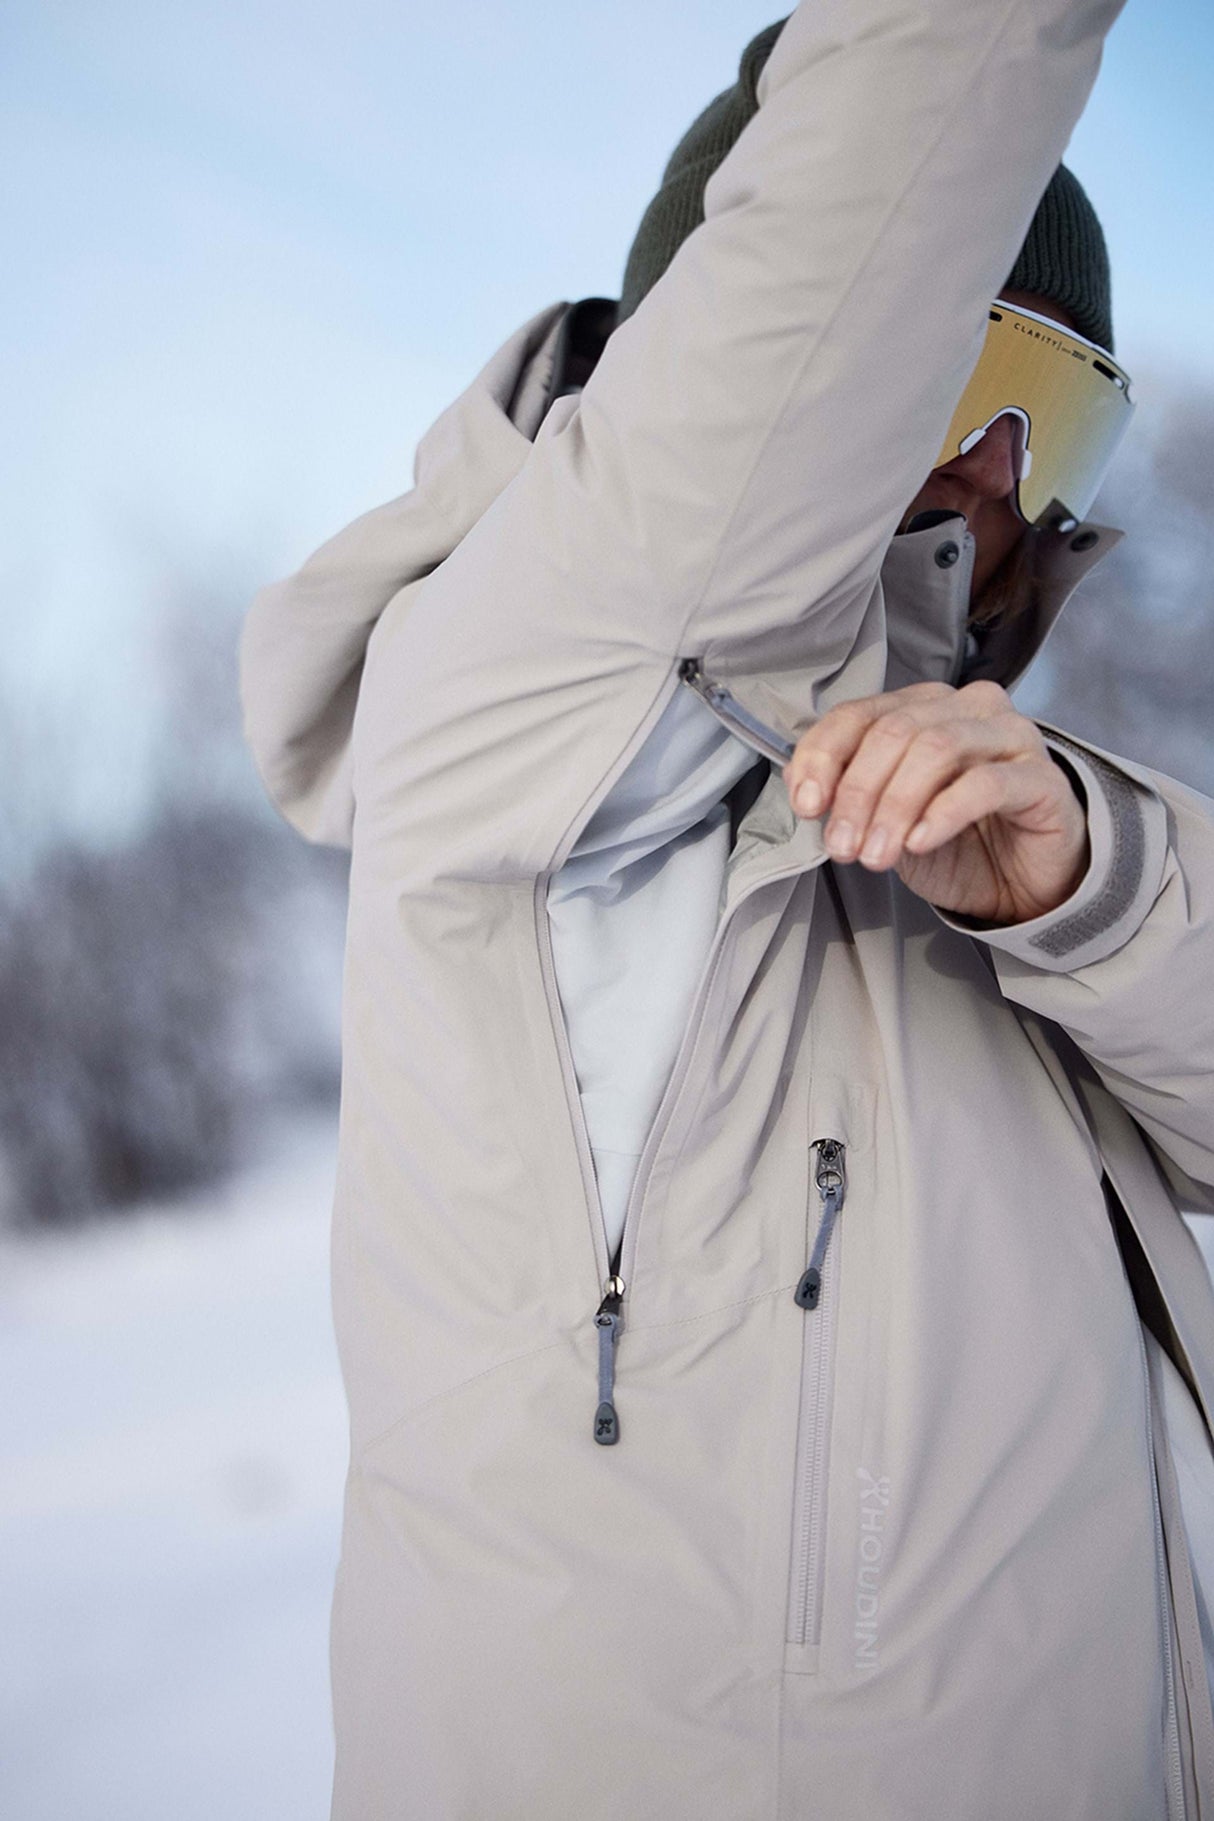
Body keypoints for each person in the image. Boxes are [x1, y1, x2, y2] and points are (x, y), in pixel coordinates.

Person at [239, 1, 1214, 1813]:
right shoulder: (512, 699)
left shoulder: (1005, 797)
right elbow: (903, 134)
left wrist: (1094, 886)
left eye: (1060, 407)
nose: (998, 466)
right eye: (952, 359)